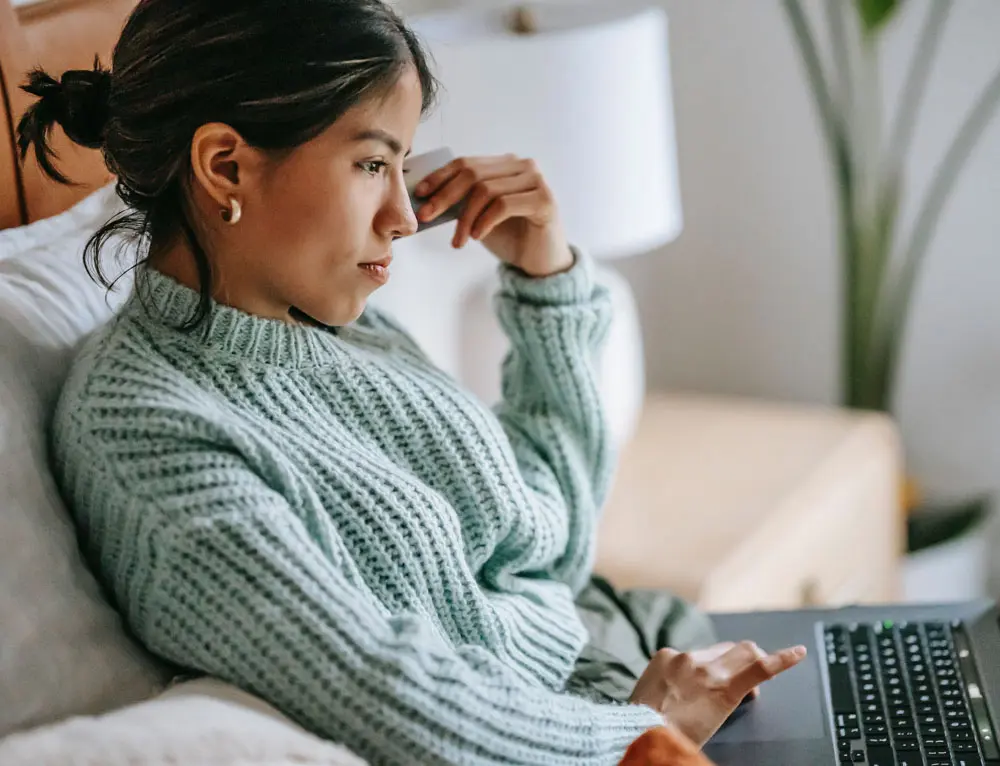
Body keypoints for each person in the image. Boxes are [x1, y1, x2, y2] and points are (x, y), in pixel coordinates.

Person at [18, 1, 806, 764]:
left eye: (402, 163)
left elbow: (547, 548)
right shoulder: (142, 428)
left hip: (618, 652)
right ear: (225, 165)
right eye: (370, 163)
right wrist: (643, 732)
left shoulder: (339, 329)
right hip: (590, 731)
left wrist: (547, 282)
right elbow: (388, 696)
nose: (401, 214)